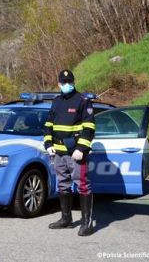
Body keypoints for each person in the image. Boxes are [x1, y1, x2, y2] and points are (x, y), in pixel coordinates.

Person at [44, 69, 95, 236]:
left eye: (70, 82)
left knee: (82, 185)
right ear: (58, 84)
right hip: (58, 152)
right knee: (63, 185)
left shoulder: (83, 101)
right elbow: (49, 125)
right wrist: (48, 143)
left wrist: (82, 148)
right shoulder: (56, 101)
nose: (67, 85)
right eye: (64, 82)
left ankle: (87, 223)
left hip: (75, 153)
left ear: (74, 82)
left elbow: (89, 128)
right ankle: (66, 219)